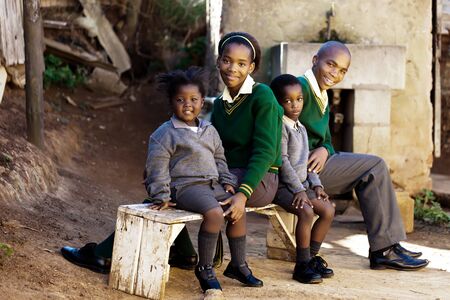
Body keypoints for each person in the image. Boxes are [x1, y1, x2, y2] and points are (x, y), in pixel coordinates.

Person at [298, 41, 428, 271]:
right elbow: (282, 133)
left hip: (316, 163)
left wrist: (324, 149)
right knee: (374, 166)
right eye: (331, 64)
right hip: (300, 168)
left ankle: (388, 246)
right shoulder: (299, 88)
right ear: (315, 60)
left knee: (372, 167)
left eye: (342, 71)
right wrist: (313, 151)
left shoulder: (322, 95)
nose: (335, 74)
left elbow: (327, 141)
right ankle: (383, 249)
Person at [142, 67, 244, 293]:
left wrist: (227, 181)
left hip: (212, 185)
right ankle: (205, 268)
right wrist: (162, 195)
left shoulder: (209, 129)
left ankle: (238, 263)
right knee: (215, 213)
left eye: (193, 99)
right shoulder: (165, 133)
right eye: (180, 99)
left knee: (237, 207)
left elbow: (219, 158)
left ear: (202, 102)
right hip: (186, 187)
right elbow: (156, 167)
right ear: (171, 102)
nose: (187, 104)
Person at [210, 31, 283, 287]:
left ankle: (203, 262)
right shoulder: (219, 104)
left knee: (194, 194)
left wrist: (242, 193)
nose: (233, 68)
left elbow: (265, 152)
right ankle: (238, 266)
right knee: (179, 189)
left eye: (242, 64)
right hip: (230, 175)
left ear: (251, 67)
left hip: (261, 179)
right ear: (219, 61)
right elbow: (216, 150)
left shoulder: (262, 96)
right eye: (227, 60)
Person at [270, 74, 335, 284]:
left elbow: (306, 162)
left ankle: (312, 258)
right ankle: (301, 264)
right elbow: (283, 162)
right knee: (306, 212)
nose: (295, 105)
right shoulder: (280, 127)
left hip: (301, 186)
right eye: (287, 101)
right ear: (278, 103)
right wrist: (299, 190)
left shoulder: (302, 128)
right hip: (282, 187)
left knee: (328, 209)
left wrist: (316, 185)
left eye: (299, 99)